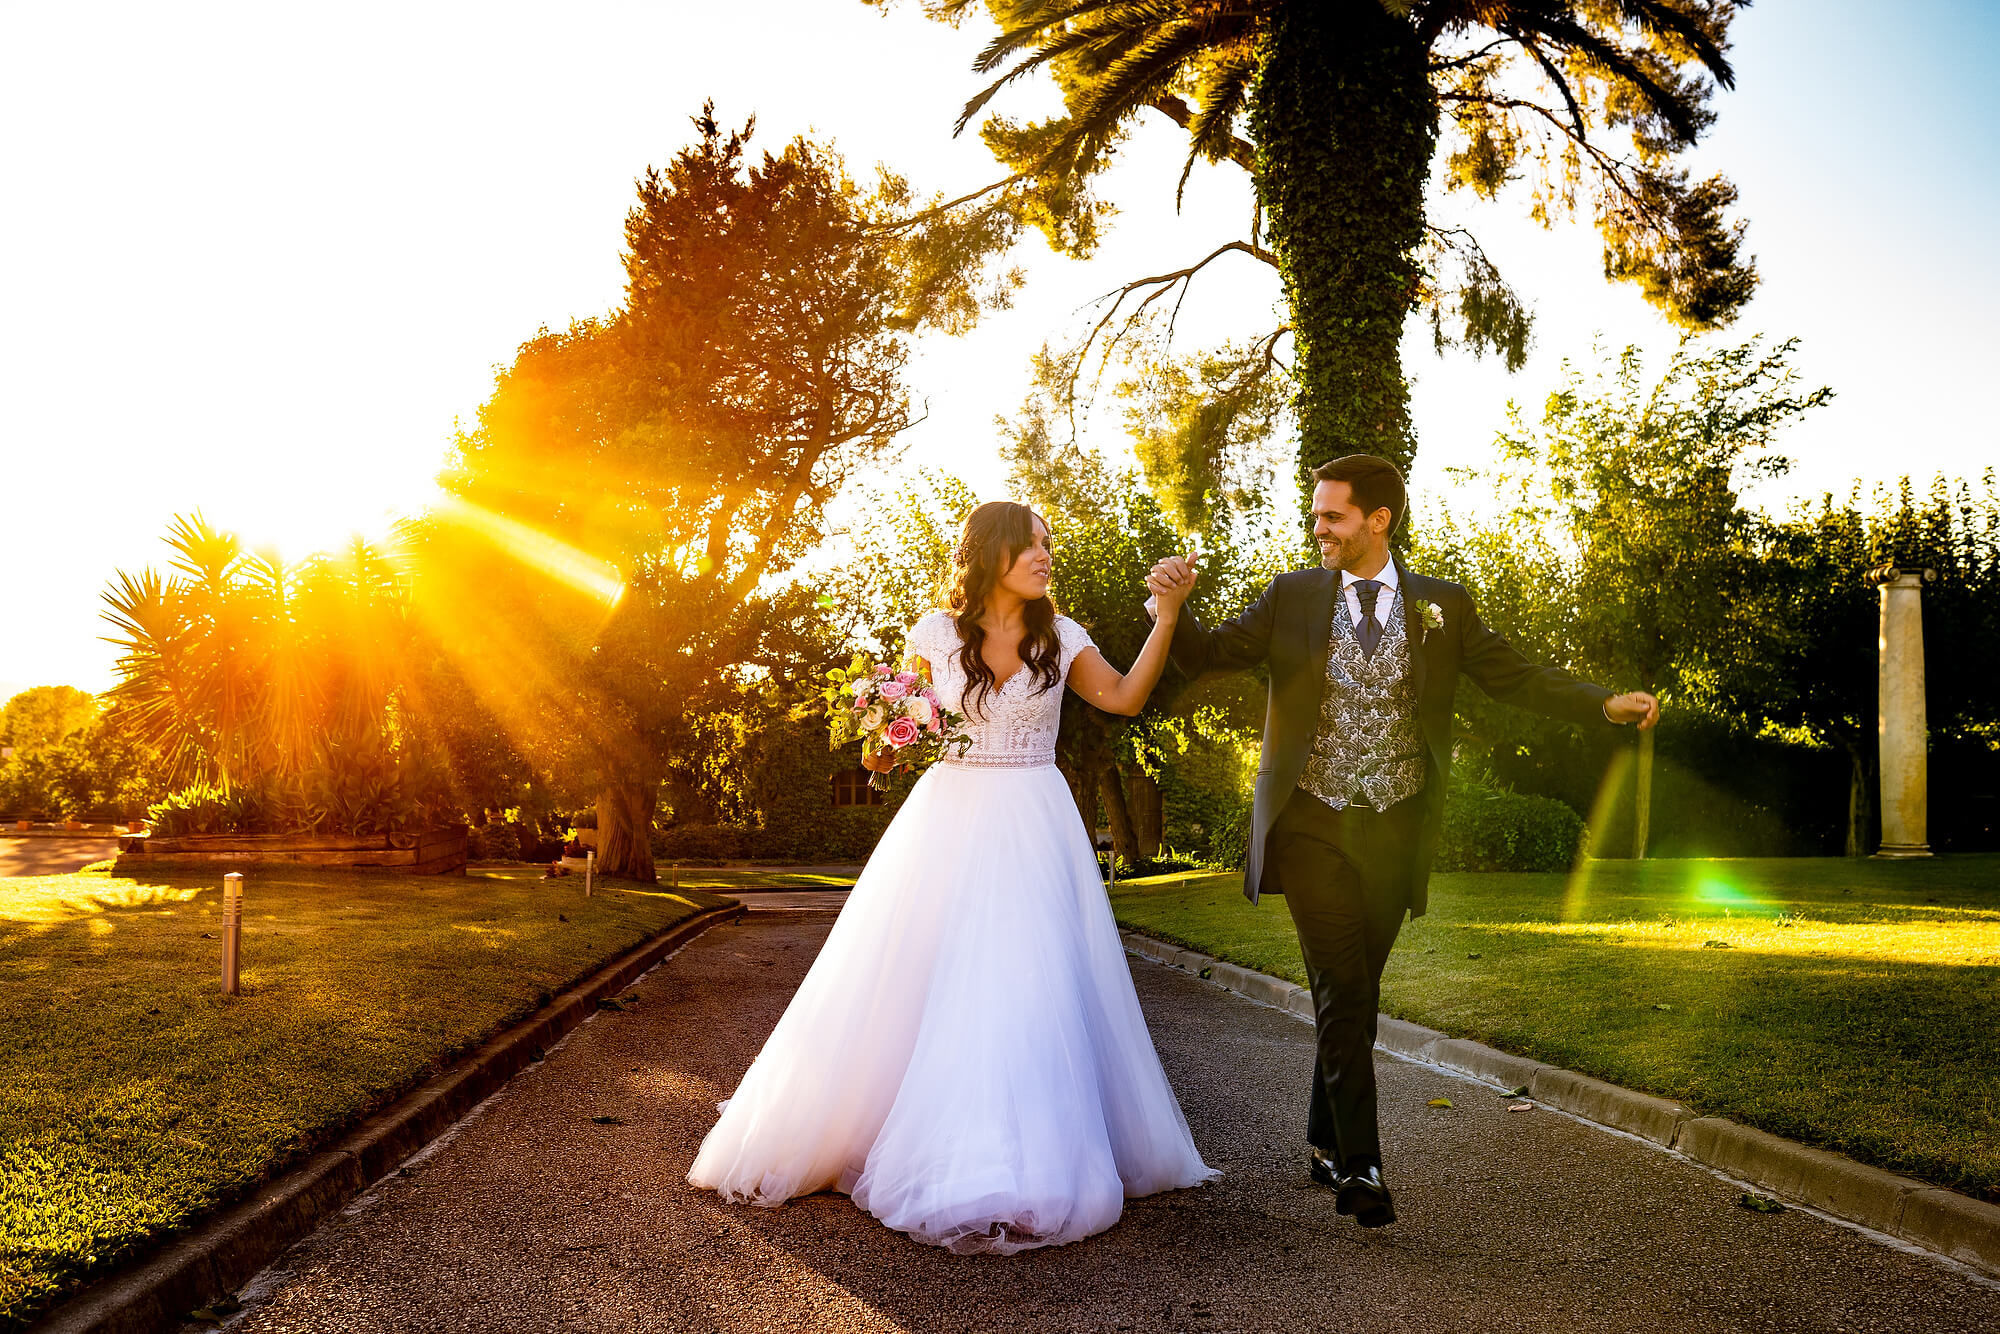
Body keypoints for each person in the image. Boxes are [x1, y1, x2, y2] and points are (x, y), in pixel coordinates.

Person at [688, 500, 1216, 1254]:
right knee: (914, 977)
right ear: (992, 553)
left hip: (1035, 818)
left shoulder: (1063, 638)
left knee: (1024, 984)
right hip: (947, 817)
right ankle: (892, 1139)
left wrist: (1165, 616)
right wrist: (879, 737)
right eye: (1034, 545)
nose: (1046, 557)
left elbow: (1126, 698)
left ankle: (1020, 1163)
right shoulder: (934, 634)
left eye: (1049, 546)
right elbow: (888, 749)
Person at [1145, 454, 1658, 1230]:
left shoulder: (1442, 605)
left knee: (1356, 990)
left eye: (1331, 516)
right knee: (1344, 990)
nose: (1317, 527)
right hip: (1310, 821)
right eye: (1316, 515)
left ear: (1378, 520)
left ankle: (1323, 1138)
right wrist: (1173, 612)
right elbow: (1212, 657)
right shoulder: (1291, 597)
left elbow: (1513, 676)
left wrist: (1602, 705)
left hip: (1396, 826)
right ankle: (1362, 1165)